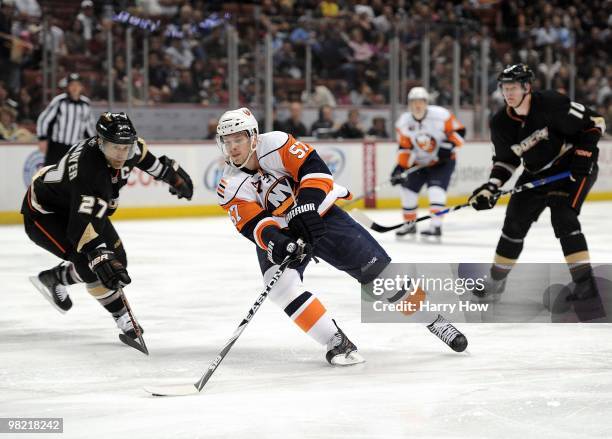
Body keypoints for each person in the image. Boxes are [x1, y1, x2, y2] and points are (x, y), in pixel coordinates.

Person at [215, 107, 467, 366]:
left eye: (239, 139)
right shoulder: (228, 185)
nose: (233, 147)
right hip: (284, 231)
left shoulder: (276, 143)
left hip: (322, 215)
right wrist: (277, 242)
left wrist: (307, 206)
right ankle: (335, 340)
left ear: (253, 137)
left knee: (381, 276)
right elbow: (252, 223)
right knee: (279, 286)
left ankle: (434, 321)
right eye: (228, 141)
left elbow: (315, 170)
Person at [22, 112, 194, 341]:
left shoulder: (130, 148)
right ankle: (123, 318)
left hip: (83, 205)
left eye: (126, 147)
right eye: (115, 148)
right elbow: (79, 228)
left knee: (118, 260)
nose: (122, 154)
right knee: (89, 261)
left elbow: (148, 160)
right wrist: (98, 254)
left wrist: (171, 176)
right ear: (100, 143)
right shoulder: (88, 170)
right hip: (45, 214)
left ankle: (56, 277)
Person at [469, 64, 605, 300]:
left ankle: (585, 285)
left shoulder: (552, 103)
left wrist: (584, 155)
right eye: (505, 88)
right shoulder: (501, 123)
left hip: (572, 169)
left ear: (527, 87)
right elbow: (505, 161)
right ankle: (496, 281)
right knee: (513, 224)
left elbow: (596, 122)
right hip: (536, 174)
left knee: (563, 216)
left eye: (513, 88)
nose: (508, 93)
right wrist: (491, 186)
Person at [391, 87, 465, 238]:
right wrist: (400, 167)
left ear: (426, 103)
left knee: (435, 191)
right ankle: (409, 225)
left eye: (421, 102)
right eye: (414, 102)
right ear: (409, 104)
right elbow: (405, 147)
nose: (417, 105)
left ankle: (436, 226)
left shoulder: (441, 115)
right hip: (418, 163)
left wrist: (448, 147)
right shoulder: (403, 122)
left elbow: (460, 131)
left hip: (442, 163)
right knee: (407, 191)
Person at [36, 73, 96, 166]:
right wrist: (42, 138)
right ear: (68, 87)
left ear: (81, 87)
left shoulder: (85, 104)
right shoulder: (60, 101)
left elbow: (89, 127)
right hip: (57, 146)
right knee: (50, 175)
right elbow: (44, 120)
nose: (75, 87)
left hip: (75, 148)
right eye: (72, 85)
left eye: (77, 85)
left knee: (72, 178)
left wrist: (93, 144)